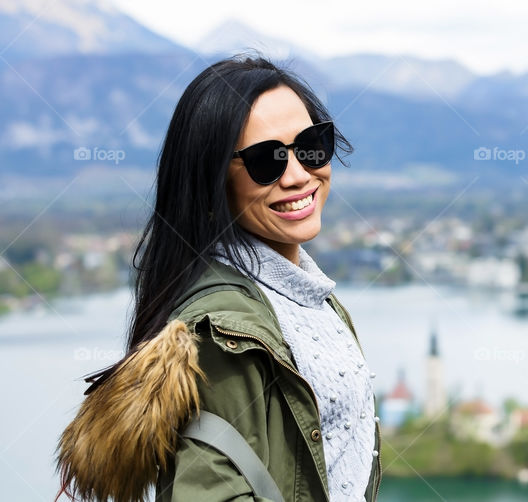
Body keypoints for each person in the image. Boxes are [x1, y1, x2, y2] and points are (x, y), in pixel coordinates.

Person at [55, 54, 382, 502]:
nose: (297, 175)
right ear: (213, 181)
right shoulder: (224, 333)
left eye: (310, 145)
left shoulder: (304, 297)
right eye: (266, 161)